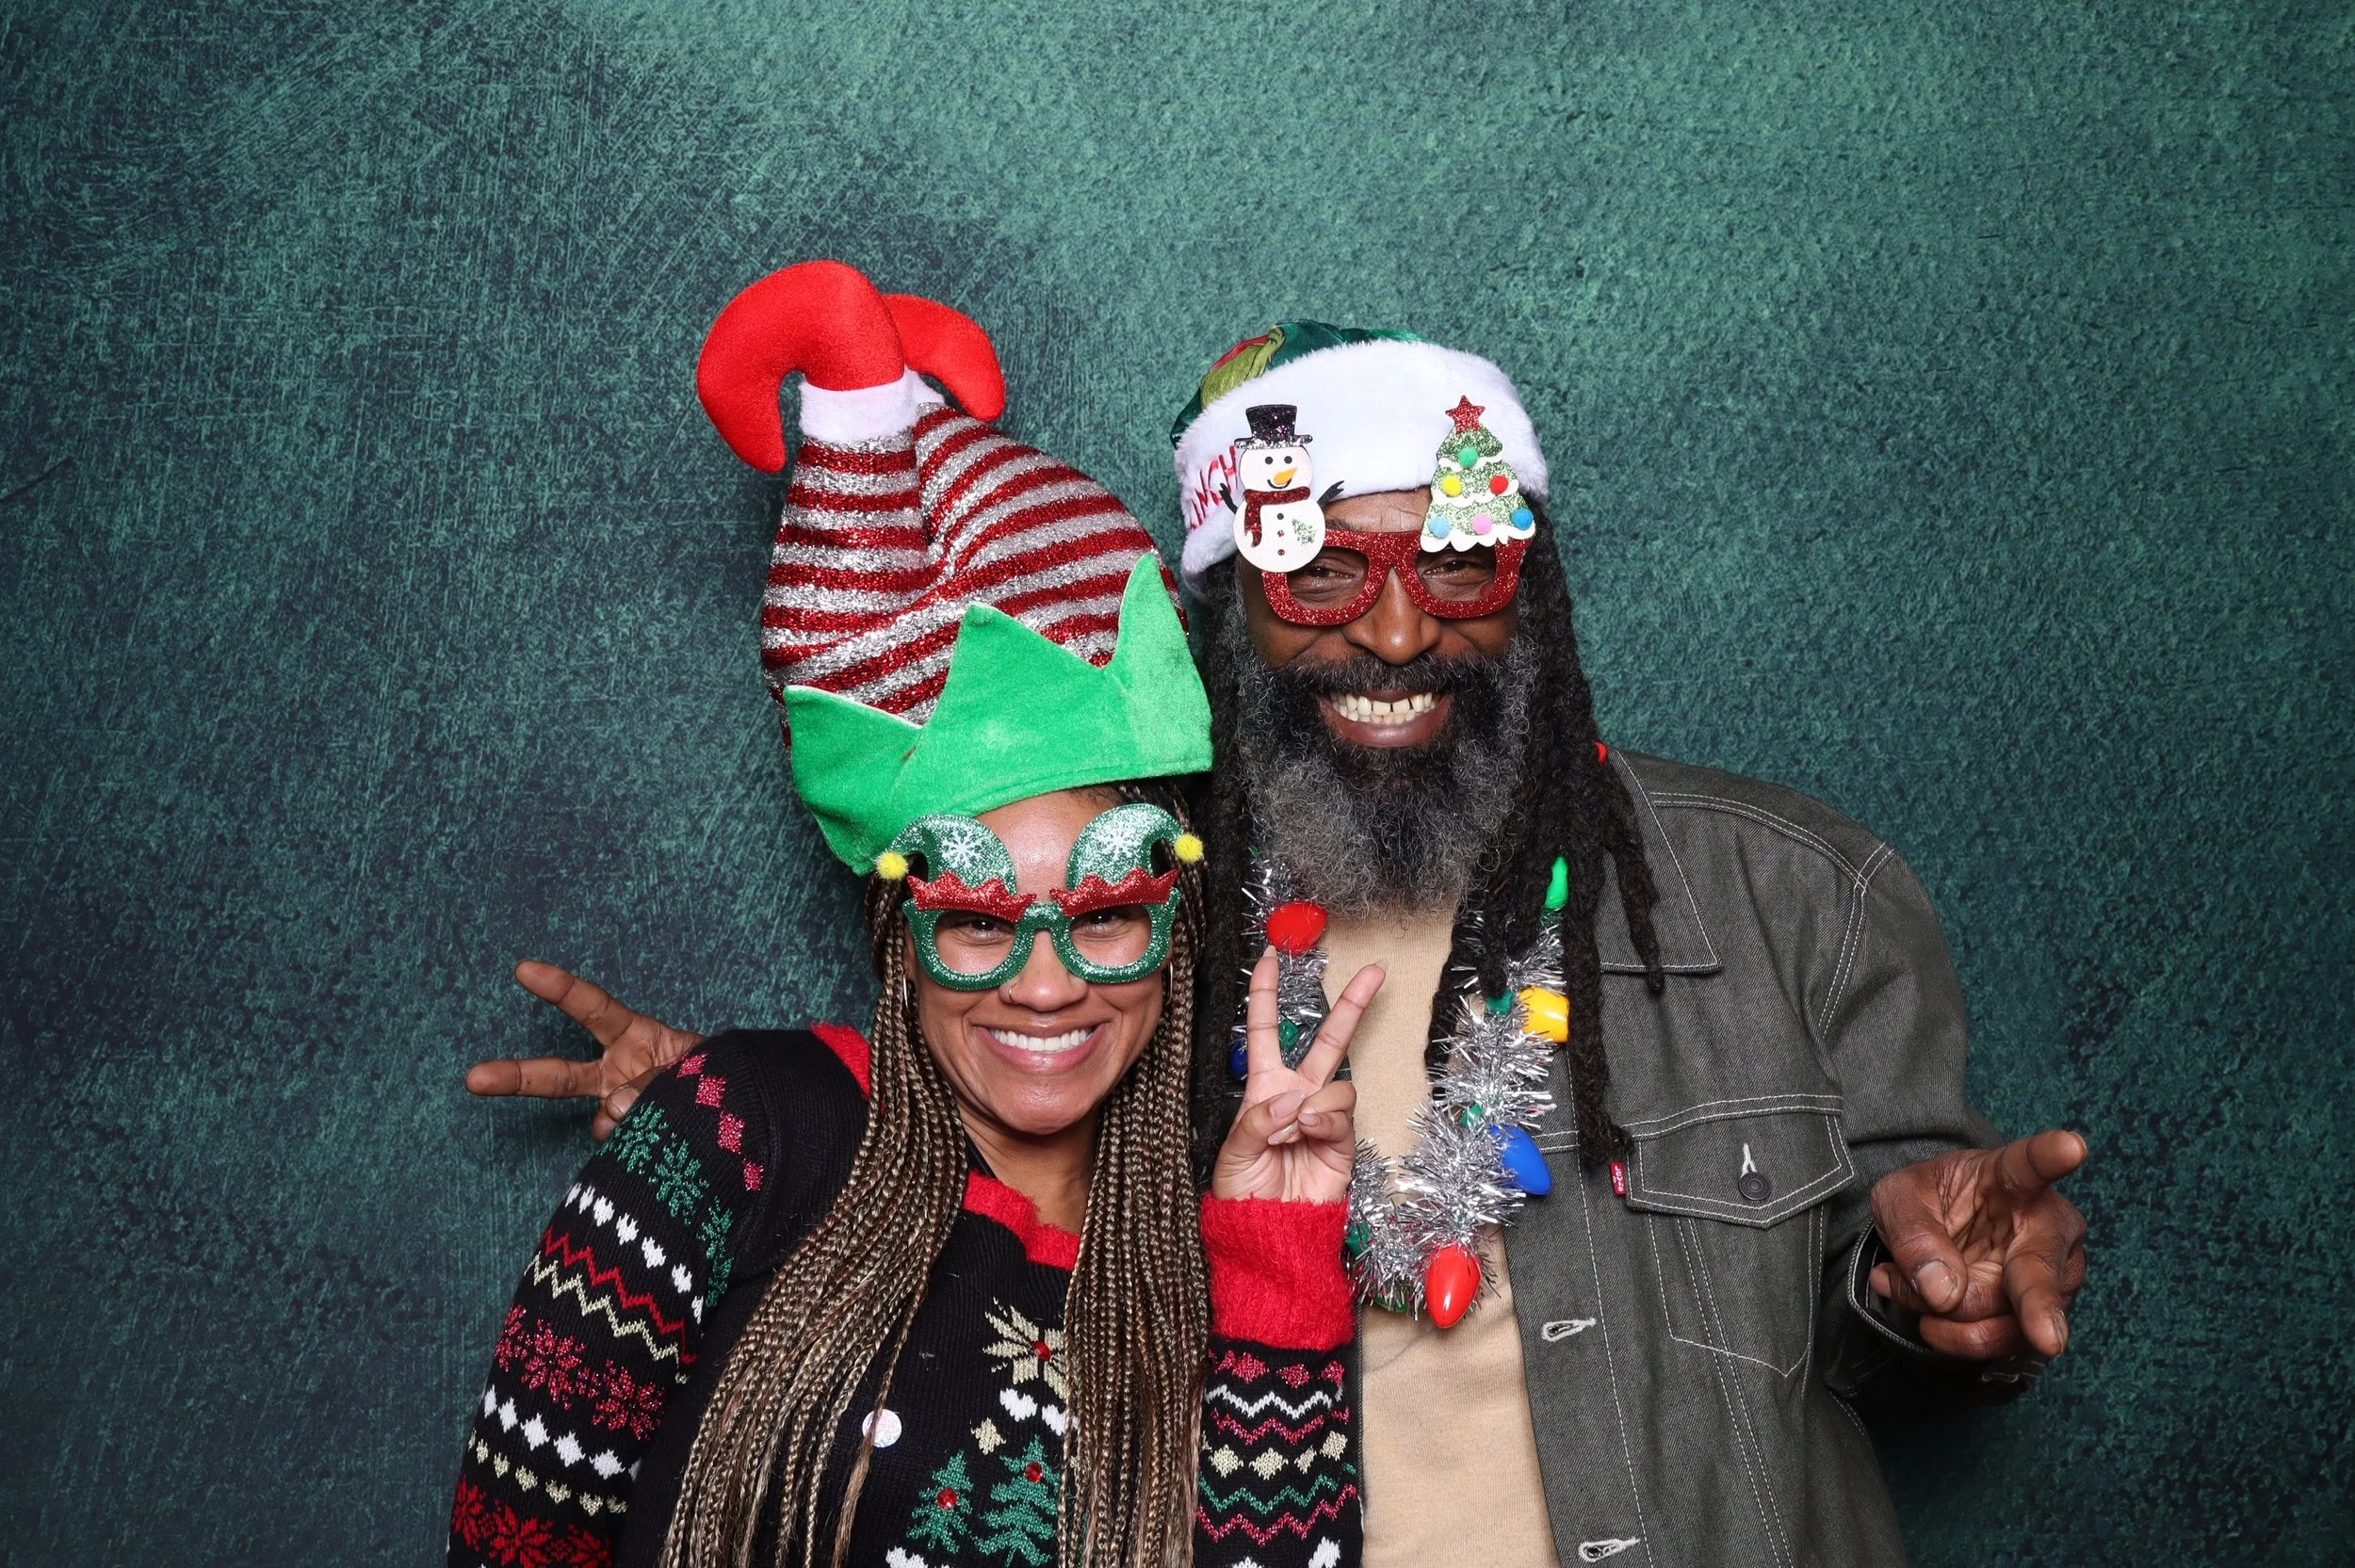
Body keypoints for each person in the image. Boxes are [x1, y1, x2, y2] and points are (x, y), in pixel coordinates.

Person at [474, 315, 2091, 1567]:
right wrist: (748, 1123)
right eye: (1313, 570)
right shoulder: (1142, 911)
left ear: (1533, 583)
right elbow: (985, 1121)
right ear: (1218, 608)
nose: (1398, 629)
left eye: (1458, 555)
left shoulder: (1794, 897)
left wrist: (1928, 1290)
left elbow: (1925, 1309)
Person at [449, 265, 1390, 1568]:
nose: (1046, 982)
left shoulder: (1188, 1250)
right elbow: (512, 1538)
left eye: (1107, 909)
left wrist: (1278, 1263)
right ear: (901, 936)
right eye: (976, 915)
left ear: (1178, 922)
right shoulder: (736, 1131)